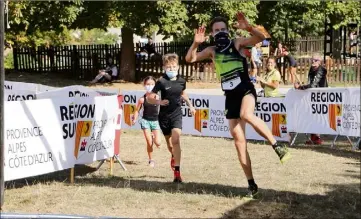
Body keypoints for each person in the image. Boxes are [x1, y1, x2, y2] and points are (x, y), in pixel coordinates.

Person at [185, 12, 291, 198]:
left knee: (246, 114)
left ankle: (277, 145)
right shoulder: (212, 51)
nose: (220, 32)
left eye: (223, 29)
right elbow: (189, 59)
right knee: (239, 142)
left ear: (228, 30)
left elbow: (262, 37)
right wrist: (195, 43)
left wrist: (248, 27)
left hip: (245, 89)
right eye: (217, 30)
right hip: (230, 95)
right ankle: (251, 184)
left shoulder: (237, 43)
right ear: (212, 33)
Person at [147, 53, 196, 183]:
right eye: (169, 67)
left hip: (176, 114)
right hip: (163, 116)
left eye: (174, 67)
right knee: (170, 144)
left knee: (176, 139)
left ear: (178, 66)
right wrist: (159, 102)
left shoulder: (182, 81)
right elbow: (149, 97)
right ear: (164, 67)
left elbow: (183, 94)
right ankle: (174, 156)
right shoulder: (161, 81)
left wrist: (190, 106)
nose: (172, 69)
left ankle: (177, 172)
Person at [294, 53, 328, 145]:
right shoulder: (311, 69)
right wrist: (302, 86)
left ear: (320, 62)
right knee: (312, 115)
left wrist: (301, 87)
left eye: (316, 60)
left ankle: (317, 137)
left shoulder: (322, 69)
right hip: (312, 96)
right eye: (312, 59)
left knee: (318, 116)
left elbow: (313, 85)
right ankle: (314, 138)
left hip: (321, 96)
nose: (313, 61)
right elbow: (310, 83)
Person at [132, 76, 163, 167]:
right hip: (145, 121)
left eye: (152, 84)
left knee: (158, 143)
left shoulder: (158, 97)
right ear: (144, 85)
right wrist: (135, 118)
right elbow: (137, 110)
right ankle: (151, 160)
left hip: (155, 121)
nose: (150, 86)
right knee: (149, 142)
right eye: (148, 84)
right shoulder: (142, 99)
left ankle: (153, 137)